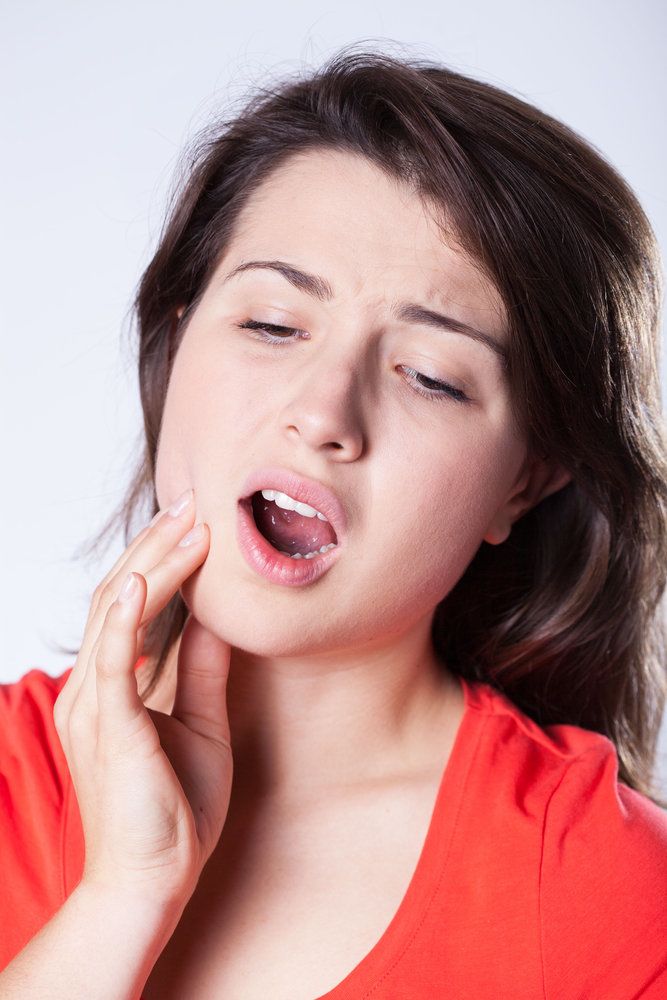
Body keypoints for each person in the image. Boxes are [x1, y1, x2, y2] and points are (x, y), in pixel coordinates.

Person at [1, 45, 666, 1000]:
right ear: (175, 340)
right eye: (273, 325)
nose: (322, 412)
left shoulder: (612, 898)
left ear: (525, 481)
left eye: (430, 377)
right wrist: (121, 899)